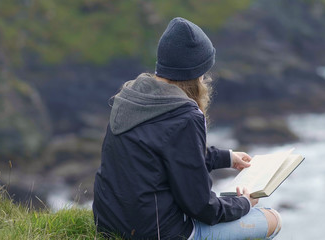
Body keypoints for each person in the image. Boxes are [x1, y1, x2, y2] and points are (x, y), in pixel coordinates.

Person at [93, 17, 282, 240]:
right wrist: (244, 203)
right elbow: (201, 207)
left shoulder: (130, 98)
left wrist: (227, 158)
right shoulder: (183, 116)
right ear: (197, 72)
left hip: (110, 224)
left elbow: (169, 155)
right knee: (272, 220)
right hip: (156, 234)